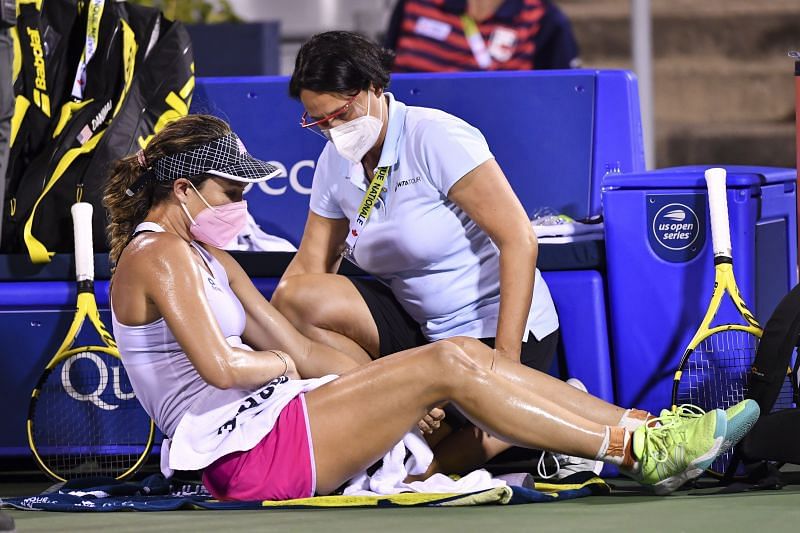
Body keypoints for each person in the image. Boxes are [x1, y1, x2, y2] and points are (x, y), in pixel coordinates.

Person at [104, 114, 758, 500]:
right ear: (184, 188)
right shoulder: (155, 255)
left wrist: (392, 393)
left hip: (273, 423)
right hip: (241, 452)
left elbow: (302, 348)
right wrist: (286, 365)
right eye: (231, 188)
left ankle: (650, 429)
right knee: (450, 361)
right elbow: (224, 367)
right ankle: (638, 450)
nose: (241, 203)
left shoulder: (212, 259)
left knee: (458, 363)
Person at [274, 29, 562, 476]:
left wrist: (505, 366)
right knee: (293, 300)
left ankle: (533, 407)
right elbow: (307, 272)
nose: (334, 130)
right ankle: (404, 399)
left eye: (341, 113)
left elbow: (519, 239)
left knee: (414, 471)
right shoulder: (335, 161)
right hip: (422, 335)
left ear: (373, 87)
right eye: (320, 122)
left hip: (498, 328)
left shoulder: (435, 136)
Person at [384, 0, 581, 72]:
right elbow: (384, 73)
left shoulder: (544, 19)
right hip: (414, 140)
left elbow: (564, 95)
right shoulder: (415, 4)